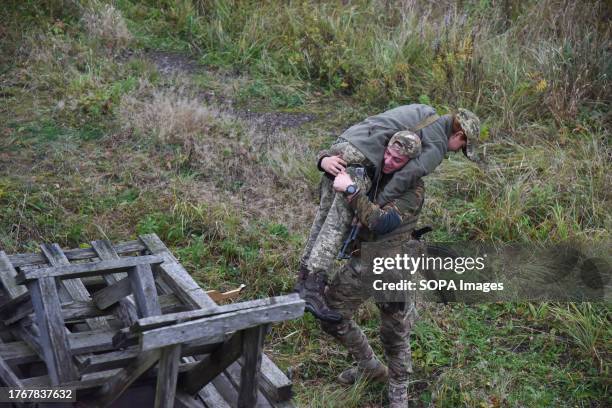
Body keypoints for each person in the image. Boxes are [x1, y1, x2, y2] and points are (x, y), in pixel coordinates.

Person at [298, 105, 481, 323]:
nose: (455, 151)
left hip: (344, 144)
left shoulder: (425, 111)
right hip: (362, 158)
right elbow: (408, 175)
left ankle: (303, 281)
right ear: (459, 135)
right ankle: (312, 287)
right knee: (337, 225)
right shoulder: (438, 145)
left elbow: (381, 121)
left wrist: (325, 159)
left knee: (323, 218)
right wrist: (375, 202)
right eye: (461, 146)